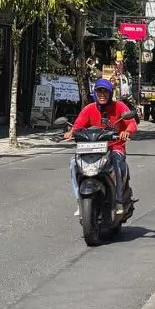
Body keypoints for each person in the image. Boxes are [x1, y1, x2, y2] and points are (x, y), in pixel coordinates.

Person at [65, 77, 137, 216]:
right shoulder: (89, 109)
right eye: (99, 92)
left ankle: (118, 201)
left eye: (105, 92)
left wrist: (127, 132)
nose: (102, 95)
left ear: (110, 94)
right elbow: (78, 125)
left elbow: (131, 123)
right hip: (91, 149)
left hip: (114, 148)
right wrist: (71, 132)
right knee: (73, 164)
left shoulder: (120, 107)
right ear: (95, 93)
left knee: (116, 164)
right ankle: (80, 201)